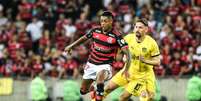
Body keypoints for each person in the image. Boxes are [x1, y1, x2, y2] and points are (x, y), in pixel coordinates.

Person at [64, 11, 131, 101]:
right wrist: (71, 46)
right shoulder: (95, 30)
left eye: (105, 21)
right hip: (91, 63)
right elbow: (84, 38)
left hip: (105, 65)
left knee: (100, 79)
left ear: (111, 21)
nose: (102, 23)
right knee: (83, 91)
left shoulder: (117, 35)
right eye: (101, 21)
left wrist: (126, 68)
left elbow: (127, 53)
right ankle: (94, 89)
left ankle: (99, 95)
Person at [104, 18, 161, 101]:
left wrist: (145, 60)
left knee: (125, 97)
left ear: (146, 29)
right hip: (127, 71)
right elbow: (120, 52)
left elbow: (158, 62)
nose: (137, 29)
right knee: (107, 88)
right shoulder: (128, 38)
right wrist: (122, 56)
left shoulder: (151, 43)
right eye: (136, 27)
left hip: (141, 77)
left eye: (140, 27)